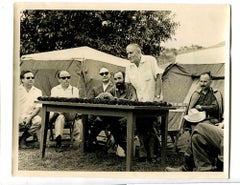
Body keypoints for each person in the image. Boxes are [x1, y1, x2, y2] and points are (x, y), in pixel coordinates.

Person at [166, 71, 224, 171]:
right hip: (196, 120)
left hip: (212, 120)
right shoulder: (197, 94)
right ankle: (202, 168)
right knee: (196, 134)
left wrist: (202, 107)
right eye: (201, 81)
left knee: (199, 127)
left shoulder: (215, 94)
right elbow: (190, 108)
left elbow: (216, 107)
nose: (203, 83)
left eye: (205, 81)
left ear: (211, 81)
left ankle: (187, 165)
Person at [125, 43, 164, 162]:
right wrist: (134, 96)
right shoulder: (128, 66)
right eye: (127, 53)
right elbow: (129, 83)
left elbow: (158, 78)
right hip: (139, 103)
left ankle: (152, 156)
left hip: (152, 102)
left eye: (131, 53)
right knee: (140, 127)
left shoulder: (150, 60)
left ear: (139, 51)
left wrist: (157, 97)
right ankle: (143, 155)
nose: (128, 56)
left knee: (151, 128)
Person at [50, 70, 82, 152]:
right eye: (63, 78)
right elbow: (53, 103)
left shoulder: (74, 89)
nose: (66, 79)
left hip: (71, 113)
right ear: (59, 79)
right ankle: (58, 141)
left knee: (59, 114)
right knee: (60, 117)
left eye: (68, 77)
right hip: (60, 114)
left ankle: (53, 117)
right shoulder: (55, 89)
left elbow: (75, 104)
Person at [18, 70, 42, 149]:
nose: (31, 79)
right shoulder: (15, 90)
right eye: (28, 78)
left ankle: (23, 139)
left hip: (31, 115)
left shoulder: (38, 91)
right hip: (17, 116)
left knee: (38, 121)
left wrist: (29, 117)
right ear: (22, 80)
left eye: (32, 77)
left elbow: (38, 107)